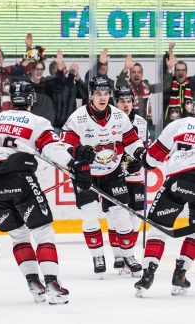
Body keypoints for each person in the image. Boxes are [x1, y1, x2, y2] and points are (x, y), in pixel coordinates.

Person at [0, 80, 92, 304]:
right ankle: (52, 283)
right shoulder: (38, 122)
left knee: (19, 236)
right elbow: (53, 149)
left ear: (12, 99)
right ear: (31, 99)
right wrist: (75, 166)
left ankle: (33, 283)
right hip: (21, 179)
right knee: (42, 231)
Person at [62, 76, 145, 278]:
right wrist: (79, 152)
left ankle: (128, 256)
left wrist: (140, 155)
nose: (103, 97)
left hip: (113, 170)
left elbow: (132, 141)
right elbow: (63, 145)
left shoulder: (119, 117)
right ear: (91, 95)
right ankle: (98, 256)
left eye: (106, 93)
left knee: (122, 215)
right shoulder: (77, 117)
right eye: (98, 93)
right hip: (85, 172)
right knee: (90, 214)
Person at [134, 97, 195, 297]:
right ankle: (181, 273)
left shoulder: (177, 125)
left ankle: (147, 274)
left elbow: (152, 159)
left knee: (158, 227)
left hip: (176, 182)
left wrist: (143, 158)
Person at [108, 86, 149, 274]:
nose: (125, 105)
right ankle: (119, 256)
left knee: (137, 216)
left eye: (128, 101)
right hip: (114, 174)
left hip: (136, 175)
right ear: (114, 102)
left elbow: (142, 147)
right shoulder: (109, 120)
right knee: (116, 216)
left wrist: (140, 162)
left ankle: (128, 254)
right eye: (121, 101)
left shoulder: (141, 122)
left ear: (133, 102)